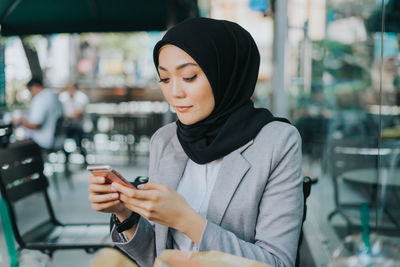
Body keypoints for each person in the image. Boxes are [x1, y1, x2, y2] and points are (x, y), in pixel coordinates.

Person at [88, 17, 303, 267]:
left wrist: (187, 221)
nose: (175, 93)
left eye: (189, 77)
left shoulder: (277, 142)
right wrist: (124, 213)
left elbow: (277, 263)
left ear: (226, 74)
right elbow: (156, 258)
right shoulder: (165, 140)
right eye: (165, 79)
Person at [13, 77, 63, 150]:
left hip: (43, 141)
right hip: (58, 139)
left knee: (14, 147)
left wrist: (20, 122)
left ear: (34, 87)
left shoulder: (40, 99)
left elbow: (35, 125)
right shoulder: (54, 95)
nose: (31, 94)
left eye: (30, 90)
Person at [59, 82, 90, 160]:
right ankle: (65, 151)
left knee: (76, 132)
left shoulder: (81, 97)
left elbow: (77, 115)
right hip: (66, 125)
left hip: (80, 125)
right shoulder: (62, 97)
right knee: (61, 132)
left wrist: (68, 115)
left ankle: (80, 149)